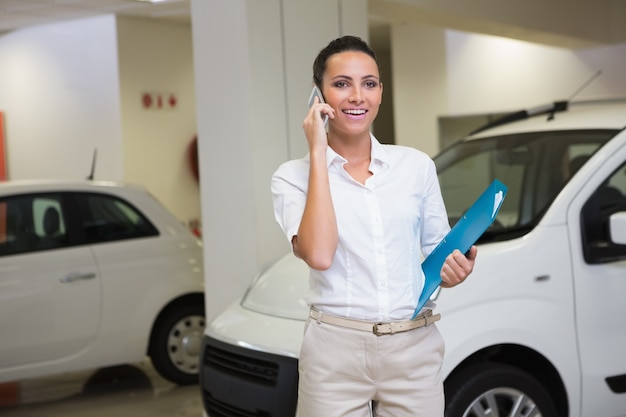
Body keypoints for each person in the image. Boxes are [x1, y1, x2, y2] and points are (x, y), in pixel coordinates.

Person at [271, 35, 477, 417]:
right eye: (341, 84)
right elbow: (318, 253)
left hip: (413, 347)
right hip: (334, 353)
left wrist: (454, 270)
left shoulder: (416, 166)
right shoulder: (291, 177)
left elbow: (437, 255)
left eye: (368, 84)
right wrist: (318, 152)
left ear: (380, 92)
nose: (356, 96)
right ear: (318, 96)